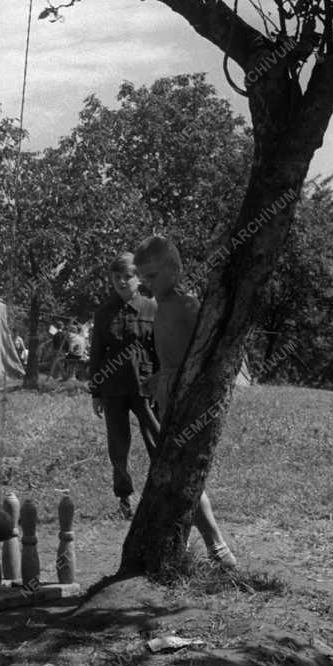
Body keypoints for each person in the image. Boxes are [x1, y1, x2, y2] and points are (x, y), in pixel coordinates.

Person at [133, 235, 237, 569]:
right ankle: (209, 546)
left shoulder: (187, 304)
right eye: (143, 277)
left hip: (188, 399)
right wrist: (159, 378)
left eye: (153, 275)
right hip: (168, 395)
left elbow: (208, 350)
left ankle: (217, 547)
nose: (148, 284)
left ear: (175, 270)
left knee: (183, 470)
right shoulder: (163, 305)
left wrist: (185, 383)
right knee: (174, 469)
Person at [90, 253, 162, 520]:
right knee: (118, 446)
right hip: (113, 388)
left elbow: (161, 350)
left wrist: (162, 380)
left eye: (127, 276)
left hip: (146, 387)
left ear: (138, 278)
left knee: (157, 440)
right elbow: (96, 353)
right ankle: (125, 499)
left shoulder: (152, 308)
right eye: (116, 277)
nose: (122, 282)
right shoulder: (103, 313)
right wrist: (95, 392)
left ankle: (159, 498)